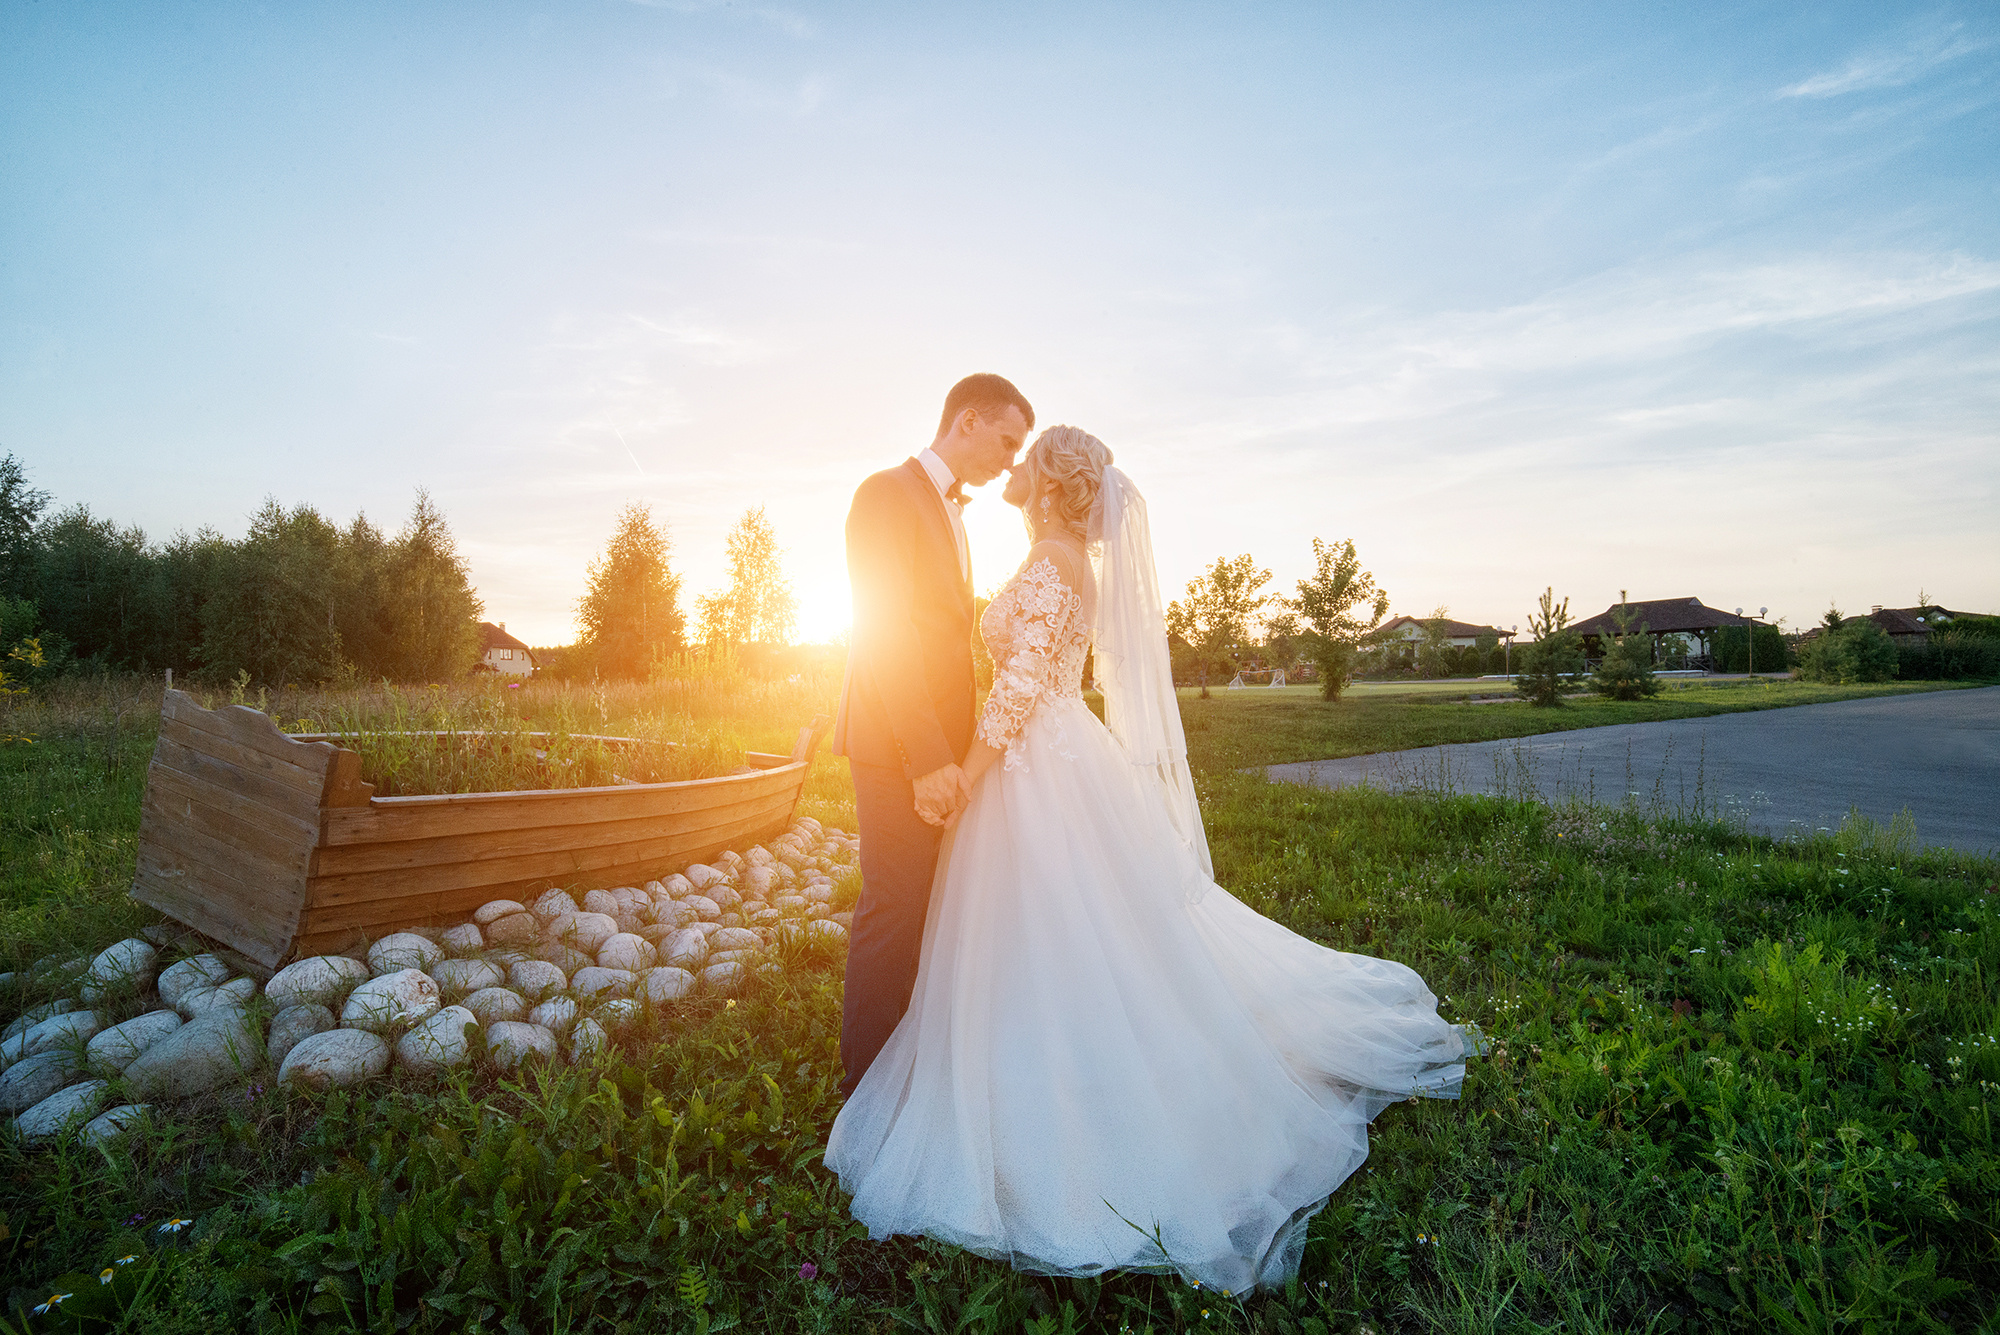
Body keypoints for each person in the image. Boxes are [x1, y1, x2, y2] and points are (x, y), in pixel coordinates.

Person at [826, 425, 1478, 1292]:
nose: (1013, 469)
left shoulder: (1057, 562)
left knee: (1053, 929)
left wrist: (970, 774)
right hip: (1050, 755)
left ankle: (1066, 1099)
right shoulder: (1057, 554)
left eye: (1027, 458)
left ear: (1053, 483)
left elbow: (1021, 685)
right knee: (1057, 932)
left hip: (1032, 761)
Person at [831, 372, 1034, 1099]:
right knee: (894, 903)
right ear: (968, 420)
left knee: (923, 902)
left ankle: (906, 1060)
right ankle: (867, 1088)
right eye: (1008, 441)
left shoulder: (953, 511)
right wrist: (926, 761)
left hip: (937, 748)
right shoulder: (886, 493)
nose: (1012, 461)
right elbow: (886, 637)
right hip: (896, 746)